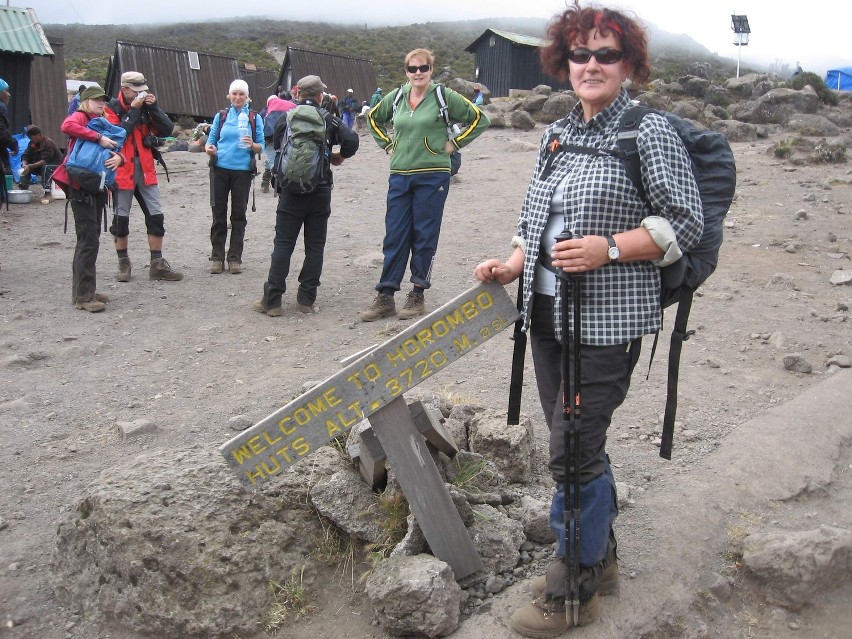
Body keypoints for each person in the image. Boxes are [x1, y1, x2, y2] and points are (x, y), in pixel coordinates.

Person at [473, 4, 703, 636]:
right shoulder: (559, 130)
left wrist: (610, 248)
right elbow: (534, 212)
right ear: (564, 62)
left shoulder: (647, 130)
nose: (592, 65)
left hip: (605, 322)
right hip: (545, 317)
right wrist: (515, 262)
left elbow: (684, 222)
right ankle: (599, 560)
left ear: (629, 64)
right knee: (575, 444)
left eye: (606, 53)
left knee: (572, 448)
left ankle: (573, 588)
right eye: (581, 53)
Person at [360, 48, 489, 322]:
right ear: (406, 71)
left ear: (431, 69)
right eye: (412, 69)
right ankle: (386, 295)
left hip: (432, 175)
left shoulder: (443, 96)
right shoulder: (396, 97)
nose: (418, 73)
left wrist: (454, 144)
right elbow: (372, 118)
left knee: (424, 233)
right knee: (394, 234)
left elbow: (480, 119)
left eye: (423, 68)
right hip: (399, 175)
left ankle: (417, 293)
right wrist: (388, 144)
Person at [254, 75, 359, 317]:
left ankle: (272, 301)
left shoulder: (285, 118)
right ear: (321, 96)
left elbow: (276, 144)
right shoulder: (329, 120)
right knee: (315, 246)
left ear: (297, 95)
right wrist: (339, 156)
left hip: (290, 191)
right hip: (320, 189)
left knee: (283, 245)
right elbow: (352, 140)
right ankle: (306, 300)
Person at [106, 71, 183, 282]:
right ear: (124, 89)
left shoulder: (146, 107)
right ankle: (123, 263)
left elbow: (167, 129)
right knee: (121, 217)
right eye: (136, 91)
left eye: (143, 91)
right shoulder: (111, 108)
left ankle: (157, 264)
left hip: (146, 167)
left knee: (156, 215)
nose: (140, 95)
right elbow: (117, 135)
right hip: (121, 168)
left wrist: (154, 107)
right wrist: (133, 110)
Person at [60, 85, 125, 313]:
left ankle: (84, 290)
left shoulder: (101, 121)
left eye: (103, 100)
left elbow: (116, 148)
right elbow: (67, 125)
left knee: (91, 237)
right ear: (85, 101)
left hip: (95, 186)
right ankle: (83, 296)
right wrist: (98, 138)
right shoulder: (80, 116)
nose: (101, 103)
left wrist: (119, 159)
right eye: (96, 100)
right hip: (81, 187)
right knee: (88, 239)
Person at [205, 79, 264, 274]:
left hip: (243, 171)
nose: (238, 97)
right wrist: (209, 149)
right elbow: (211, 140)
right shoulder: (221, 116)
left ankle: (235, 258)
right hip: (220, 169)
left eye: (241, 94)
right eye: (235, 94)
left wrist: (252, 145)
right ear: (229, 96)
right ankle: (216, 258)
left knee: (239, 215)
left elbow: (261, 145)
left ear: (247, 97)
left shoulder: (254, 118)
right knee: (218, 214)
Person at [260, 94, 296, 193]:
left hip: (270, 135)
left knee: (272, 158)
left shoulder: (267, 109)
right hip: (287, 134)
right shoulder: (289, 105)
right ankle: (269, 178)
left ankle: (273, 179)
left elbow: (260, 121)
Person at [0, 78, 18, 190]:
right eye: (6, 90)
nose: (9, 94)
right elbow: (1, 132)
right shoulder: (1, 106)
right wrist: (13, 143)